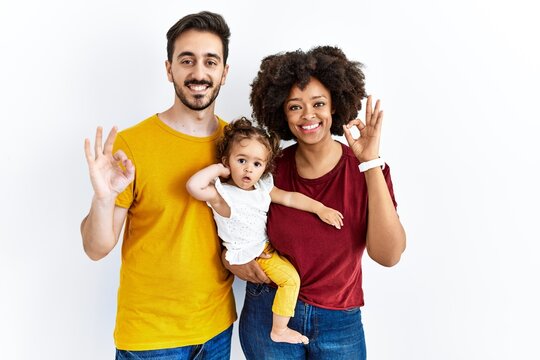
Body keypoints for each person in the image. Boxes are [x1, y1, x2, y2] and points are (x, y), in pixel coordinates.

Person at [229, 46, 407, 359]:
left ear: (335, 106)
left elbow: (388, 255)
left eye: (318, 103)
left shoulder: (366, 170)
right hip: (270, 313)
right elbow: (231, 219)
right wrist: (230, 259)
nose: (308, 115)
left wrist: (370, 163)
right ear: (282, 113)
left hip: (339, 320)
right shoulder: (268, 169)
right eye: (295, 106)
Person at [81, 11, 238, 359]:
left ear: (224, 73)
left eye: (210, 61)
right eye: (187, 60)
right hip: (150, 340)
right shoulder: (131, 146)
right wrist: (103, 197)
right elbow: (96, 248)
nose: (199, 73)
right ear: (169, 69)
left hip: (217, 329)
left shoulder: (237, 146)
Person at [187, 118, 344, 345]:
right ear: (227, 161)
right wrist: (217, 170)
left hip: (266, 248)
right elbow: (194, 186)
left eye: (257, 164)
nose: (249, 169)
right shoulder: (224, 196)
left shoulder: (261, 187)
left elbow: (289, 197)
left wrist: (319, 208)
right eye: (241, 160)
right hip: (251, 254)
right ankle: (279, 329)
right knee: (291, 281)